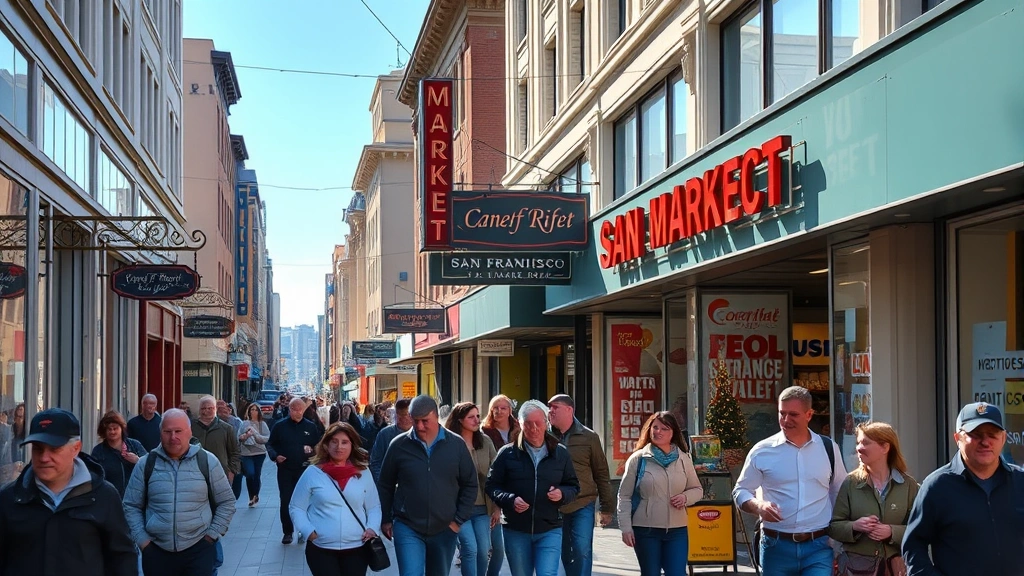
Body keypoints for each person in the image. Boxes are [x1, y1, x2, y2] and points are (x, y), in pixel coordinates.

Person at [0, 408, 137, 575]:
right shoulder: (10, 498)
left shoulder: (103, 496)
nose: (44, 457)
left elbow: (122, 558)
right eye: (38, 448)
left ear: (76, 448)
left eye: (54, 449)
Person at [733, 386, 847, 576]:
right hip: (776, 546)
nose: (786, 420)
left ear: (809, 414)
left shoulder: (828, 448)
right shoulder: (762, 450)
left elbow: (839, 492)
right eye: (782, 413)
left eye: (793, 414)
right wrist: (758, 505)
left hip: (818, 546)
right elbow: (741, 490)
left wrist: (838, 539)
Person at [902, 402, 1024, 575]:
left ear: (1003, 438)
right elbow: (913, 546)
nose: (985, 442)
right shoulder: (937, 486)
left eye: (993, 434)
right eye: (975, 434)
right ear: (957, 438)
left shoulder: (1020, 481)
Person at [123, 409, 236, 576]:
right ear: (160, 433)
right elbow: (130, 505)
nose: (173, 437)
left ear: (189, 432)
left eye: (178, 431)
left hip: (199, 550)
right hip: (156, 552)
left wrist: (211, 536)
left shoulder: (207, 461)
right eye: (167, 432)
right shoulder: (146, 464)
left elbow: (227, 501)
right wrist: (143, 541)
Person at [378, 395, 478, 576]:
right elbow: (385, 484)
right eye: (415, 421)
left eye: (425, 421)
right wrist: (386, 518)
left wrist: (457, 521)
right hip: (407, 525)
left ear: (436, 416)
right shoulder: (399, 445)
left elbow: (470, 484)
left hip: (445, 528)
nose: (419, 426)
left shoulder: (456, 445)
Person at [486, 400, 580, 576]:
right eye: (528, 424)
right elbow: (492, 485)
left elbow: (573, 486)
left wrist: (562, 494)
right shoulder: (507, 454)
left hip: (550, 528)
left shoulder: (560, 453)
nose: (534, 428)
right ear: (520, 425)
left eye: (538, 423)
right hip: (516, 530)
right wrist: (510, 499)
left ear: (546, 423)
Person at [616, 411, 703, 576]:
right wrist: (626, 528)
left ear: (673, 433)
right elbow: (624, 496)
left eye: (664, 428)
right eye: (655, 427)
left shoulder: (684, 458)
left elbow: (697, 490)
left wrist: (685, 497)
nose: (658, 432)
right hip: (645, 529)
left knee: (677, 573)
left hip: (677, 530)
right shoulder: (638, 459)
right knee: (650, 573)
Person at [289, 422, 381, 576]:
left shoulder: (363, 472)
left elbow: (373, 506)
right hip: (321, 549)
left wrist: (372, 527)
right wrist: (307, 531)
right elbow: (296, 507)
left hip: (357, 548)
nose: (339, 447)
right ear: (326, 445)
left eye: (344, 442)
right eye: (334, 441)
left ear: (352, 445)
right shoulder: (313, 473)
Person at [829, 421, 917, 576]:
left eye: (865, 443)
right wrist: (855, 526)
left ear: (885, 447)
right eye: (858, 443)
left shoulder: (908, 485)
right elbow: (834, 527)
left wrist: (892, 532)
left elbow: (920, 529)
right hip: (857, 568)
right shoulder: (851, 483)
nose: (858, 448)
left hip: (895, 569)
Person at [547, 394, 615, 576]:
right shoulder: (545, 436)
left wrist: (607, 508)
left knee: (581, 549)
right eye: (549, 407)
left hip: (582, 502)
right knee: (563, 551)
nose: (550, 411)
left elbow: (601, 473)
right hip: (553, 504)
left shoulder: (589, 437)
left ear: (569, 410)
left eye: (555, 407)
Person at [445, 402, 500, 576]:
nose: (477, 420)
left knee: (484, 551)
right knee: (470, 549)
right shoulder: (449, 443)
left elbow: (498, 472)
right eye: (471, 417)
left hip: (483, 507)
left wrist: (497, 506)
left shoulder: (485, 441)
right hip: (459, 508)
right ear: (460, 420)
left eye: (478, 416)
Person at [267, 397, 322, 544]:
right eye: (294, 409)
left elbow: (318, 445)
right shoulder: (280, 426)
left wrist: (313, 454)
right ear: (289, 410)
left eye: (300, 409)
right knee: (286, 500)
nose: (298, 412)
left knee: (305, 501)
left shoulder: (310, 427)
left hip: (304, 470)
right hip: (285, 469)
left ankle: (304, 530)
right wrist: (275, 456)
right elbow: (270, 444)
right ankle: (287, 532)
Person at [480, 394, 519, 576]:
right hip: (492, 493)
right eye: (495, 408)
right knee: (493, 547)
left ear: (510, 410)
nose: (499, 411)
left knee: (507, 546)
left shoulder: (520, 430)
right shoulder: (484, 432)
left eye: (503, 408)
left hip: (515, 490)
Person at [91, 410, 147, 497]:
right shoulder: (99, 451)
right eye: (109, 429)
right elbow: (93, 477)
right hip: (109, 501)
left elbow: (151, 468)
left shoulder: (134, 446)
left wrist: (138, 461)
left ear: (122, 429)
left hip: (135, 500)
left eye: (115, 428)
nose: (112, 432)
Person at [369, 397, 412, 484]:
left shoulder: (421, 434)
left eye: (407, 414)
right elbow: (376, 462)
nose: (404, 418)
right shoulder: (385, 434)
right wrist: (384, 486)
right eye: (401, 414)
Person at [238, 403, 271, 507]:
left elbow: (266, 438)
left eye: (256, 410)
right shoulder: (244, 423)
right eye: (251, 409)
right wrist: (245, 436)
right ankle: (251, 495)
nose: (253, 412)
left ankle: (255, 496)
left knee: (256, 475)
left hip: (259, 453)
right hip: (246, 453)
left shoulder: (262, 424)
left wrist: (255, 434)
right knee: (250, 474)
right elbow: (238, 437)